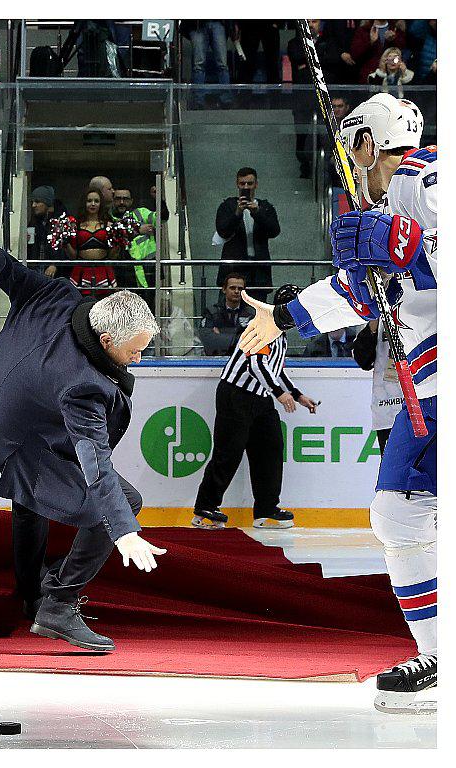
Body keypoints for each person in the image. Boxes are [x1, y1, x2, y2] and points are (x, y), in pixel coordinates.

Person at [234, 93, 435, 714]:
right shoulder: (394, 202)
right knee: (401, 515)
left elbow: (425, 262)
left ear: (369, 143)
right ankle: (437, 656)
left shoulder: (424, 179)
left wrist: (407, 247)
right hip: (429, 390)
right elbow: (364, 292)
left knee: (402, 514)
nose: (349, 158)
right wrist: (284, 319)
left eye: (353, 145)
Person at [0, 192, 166, 652]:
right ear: (105, 339)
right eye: (135, 351)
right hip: (23, 427)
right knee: (124, 498)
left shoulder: (55, 294)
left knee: (28, 502)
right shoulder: (84, 386)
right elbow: (95, 464)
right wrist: (123, 528)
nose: (139, 359)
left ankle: (31, 598)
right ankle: (59, 605)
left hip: (4, 405)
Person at [192, 285, 320, 531]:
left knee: (270, 451)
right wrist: (280, 394)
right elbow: (257, 365)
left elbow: (274, 369)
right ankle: (205, 507)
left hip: (260, 398)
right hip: (236, 395)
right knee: (228, 452)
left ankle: (266, 508)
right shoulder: (261, 326)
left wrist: (297, 394)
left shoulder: (279, 332)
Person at [46, 188, 134, 296]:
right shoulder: (75, 225)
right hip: (80, 270)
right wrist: (65, 242)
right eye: (89, 201)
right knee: (80, 303)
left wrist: (119, 242)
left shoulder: (109, 225)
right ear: (84, 203)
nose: (93, 204)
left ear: (101, 204)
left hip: (104, 270)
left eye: (96, 201)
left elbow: (112, 256)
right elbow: (73, 256)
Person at [214, 167, 281, 299]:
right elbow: (223, 231)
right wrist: (237, 213)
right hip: (233, 270)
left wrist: (257, 213)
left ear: (256, 184)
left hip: (258, 271)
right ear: (237, 184)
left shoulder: (265, 207)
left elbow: (274, 231)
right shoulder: (227, 206)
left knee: (258, 313)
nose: (246, 187)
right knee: (228, 312)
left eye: (250, 183)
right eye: (242, 183)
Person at [352, 319, 404, 454]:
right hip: (388, 410)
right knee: (393, 470)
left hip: (424, 406)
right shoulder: (379, 319)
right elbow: (363, 360)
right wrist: (371, 328)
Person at [198, 273, 252, 355]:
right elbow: (206, 338)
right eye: (232, 288)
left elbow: (252, 341)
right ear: (224, 289)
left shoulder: (251, 313)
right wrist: (237, 336)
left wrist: (221, 334)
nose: (236, 291)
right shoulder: (210, 312)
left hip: (242, 359)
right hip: (216, 359)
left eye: (240, 289)